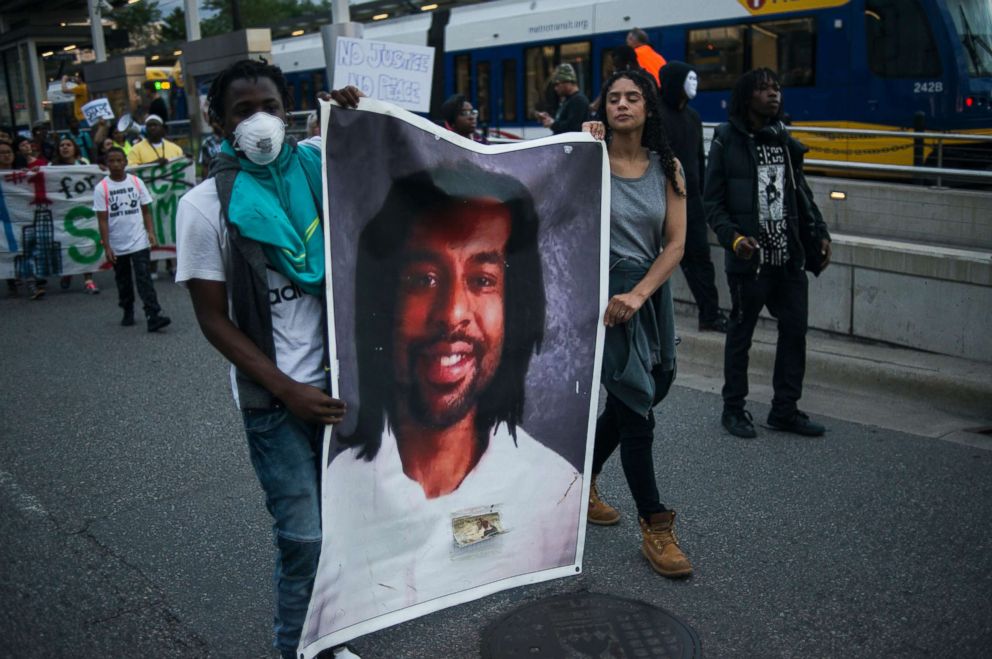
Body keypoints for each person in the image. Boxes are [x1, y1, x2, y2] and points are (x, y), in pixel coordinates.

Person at [305, 163, 582, 639]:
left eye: (483, 280)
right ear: (383, 300)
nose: (453, 314)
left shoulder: (556, 495)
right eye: (422, 280)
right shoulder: (335, 484)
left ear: (516, 305)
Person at [174, 58, 361, 659]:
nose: (260, 123)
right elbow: (213, 320)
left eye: (271, 108)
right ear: (217, 120)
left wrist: (355, 122)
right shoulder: (204, 206)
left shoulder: (317, 169)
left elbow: (395, 170)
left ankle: (330, 640)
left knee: (343, 531)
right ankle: (294, 649)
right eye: (243, 111)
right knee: (303, 537)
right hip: (275, 403)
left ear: (290, 110)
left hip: (342, 386)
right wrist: (286, 389)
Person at [581, 68, 692, 578]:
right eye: (613, 98)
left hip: (649, 291)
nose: (622, 105)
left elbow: (676, 244)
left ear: (648, 107)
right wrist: (576, 149)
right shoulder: (586, 159)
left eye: (633, 97)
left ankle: (580, 481)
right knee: (635, 410)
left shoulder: (668, 167)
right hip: (605, 296)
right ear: (602, 108)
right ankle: (656, 524)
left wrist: (640, 294)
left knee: (655, 384)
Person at [703, 68, 832, 439]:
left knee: (794, 333)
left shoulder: (783, 138)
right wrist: (734, 239)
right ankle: (733, 409)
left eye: (777, 88)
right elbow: (713, 203)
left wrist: (818, 232)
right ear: (747, 97)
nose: (773, 94)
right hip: (750, 261)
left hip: (788, 258)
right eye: (764, 89)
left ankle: (785, 410)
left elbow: (800, 192)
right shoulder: (726, 138)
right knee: (741, 335)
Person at [658, 61, 726, 332]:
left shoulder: (693, 117)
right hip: (664, 200)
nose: (694, 84)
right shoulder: (657, 116)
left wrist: (705, 198)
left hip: (692, 200)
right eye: (690, 79)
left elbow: (699, 161)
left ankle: (710, 314)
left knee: (701, 257)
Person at [93, 147, 170, 330]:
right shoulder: (102, 188)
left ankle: (153, 314)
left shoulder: (136, 182)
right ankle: (127, 309)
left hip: (138, 241)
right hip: (118, 244)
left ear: (125, 162)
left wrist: (150, 232)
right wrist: (107, 245)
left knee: (144, 278)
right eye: (112, 161)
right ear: (106, 164)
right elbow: (102, 219)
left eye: (119, 160)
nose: (116, 164)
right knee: (123, 280)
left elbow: (146, 210)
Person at [51, 138, 100, 294]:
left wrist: (102, 168)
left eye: (68, 145)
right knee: (65, 242)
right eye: (62, 145)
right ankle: (68, 272)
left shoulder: (84, 166)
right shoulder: (50, 168)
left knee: (86, 243)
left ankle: (88, 279)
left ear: (75, 149)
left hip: (83, 212)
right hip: (62, 214)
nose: (65, 147)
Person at [536, 63, 589, 134]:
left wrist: (553, 124)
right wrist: (549, 119)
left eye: (557, 84)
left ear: (567, 82)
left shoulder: (579, 100)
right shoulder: (569, 99)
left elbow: (572, 128)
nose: (555, 88)